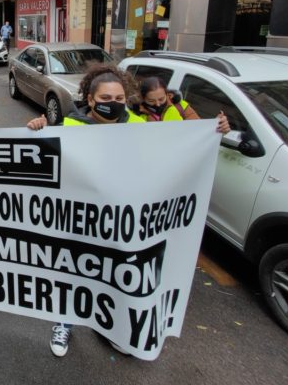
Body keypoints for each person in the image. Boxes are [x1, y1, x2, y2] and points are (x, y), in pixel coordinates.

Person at [26, 64, 144, 358]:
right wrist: (36, 131)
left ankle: (115, 326)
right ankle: (65, 323)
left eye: (119, 98)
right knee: (75, 276)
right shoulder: (70, 127)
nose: (113, 104)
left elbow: (179, 145)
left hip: (120, 220)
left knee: (118, 275)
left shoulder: (142, 128)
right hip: (80, 222)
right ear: (90, 100)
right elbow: (41, 164)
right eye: (105, 98)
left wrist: (214, 130)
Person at [134, 76, 230, 133]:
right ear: (143, 98)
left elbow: (199, 131)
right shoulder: (135, 114)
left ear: (168, 94)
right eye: (151, 101)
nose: (158, 104)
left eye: (161, 99)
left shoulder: (181, 107)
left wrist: (218, 126)